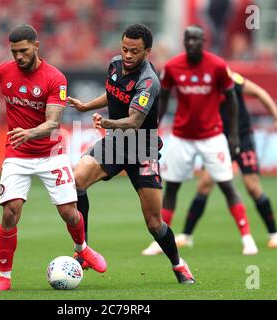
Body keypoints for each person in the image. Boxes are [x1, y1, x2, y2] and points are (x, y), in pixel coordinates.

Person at [67, 24, 195, 284]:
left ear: (147, 51)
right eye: (124, 48)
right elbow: (113, 94)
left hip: (142, 148)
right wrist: (86, 107)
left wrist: (106, 123)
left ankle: (178, 264)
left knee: (154, 223)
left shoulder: (149, 82)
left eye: (134, 51)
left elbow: (135, 121)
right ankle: (83, 250)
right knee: (76, 181)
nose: (127, 54)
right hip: (116, 143)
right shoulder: (114, 64)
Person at [0, 24, 107, 292]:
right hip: (17, 153)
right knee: (9, 212)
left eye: (24, 51)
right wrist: (23, 137)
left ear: (36, 47)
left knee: (69, 214)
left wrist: (29, 133)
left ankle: (81, 248)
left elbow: (53, 123)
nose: (19, 57)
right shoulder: (2, 72)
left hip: (51, 153)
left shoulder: (55, 78)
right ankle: (4, 277)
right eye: (14, 52)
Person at [141, 25, 259, 256]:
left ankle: (247, 238)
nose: (192, 43)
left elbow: (232, 101)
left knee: (227, 185)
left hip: (212, 136)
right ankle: (160, 241)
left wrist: (233, 136)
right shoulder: (173, 67)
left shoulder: (217, 66)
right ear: (184, 42)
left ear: (203, 41)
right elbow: (163, 98)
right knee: (172, 187)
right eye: (188, 39)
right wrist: (153, 128)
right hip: (181, 136)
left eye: (196, 39)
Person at [173, 72, 277, 249]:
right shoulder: (202, 86)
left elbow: (259, 92)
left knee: (252, 187)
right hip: (217, 139)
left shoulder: (231, 79)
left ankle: (275, 234)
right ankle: (187, 235)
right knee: (204, 184)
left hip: (242, 137)